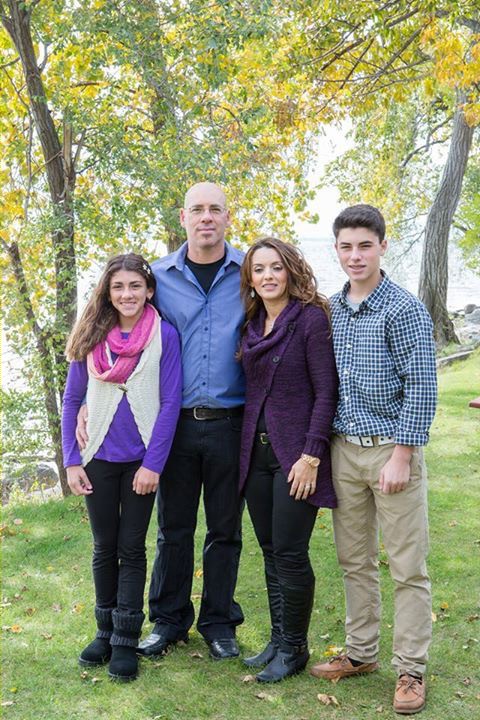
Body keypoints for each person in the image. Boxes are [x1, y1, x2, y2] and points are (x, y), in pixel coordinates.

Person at [75, 183, 246, 659]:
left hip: (232, 418)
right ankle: (168, 621)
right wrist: (94, 395)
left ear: (227, 217)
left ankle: (218, 622)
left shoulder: (249, 270)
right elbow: (121, 333)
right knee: (174, 526)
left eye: (215, 209)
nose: (206, 217)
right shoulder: (161, 277)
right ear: (183, 217)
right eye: (197, 210)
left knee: (225, 528)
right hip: (173, 425)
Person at [309, 205, 437, 715]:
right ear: (336, 250)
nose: (355, 255)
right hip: (344, 450)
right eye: (346, 246)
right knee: (354, 561)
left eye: (365, 245)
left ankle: (411, 669)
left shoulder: (403, 309)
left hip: (391, 449)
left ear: (383, 245)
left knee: (407, 566)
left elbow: (423, 387)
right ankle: (361, 653)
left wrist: (403, 453)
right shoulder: (332, 309)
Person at [62, 253, 182, 681]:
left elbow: (170, 403)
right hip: (97, 458)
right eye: (118, 287)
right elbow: (73, 399)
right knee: (103, 547)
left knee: (132, 548)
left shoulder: (164, 336)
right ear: (107, 292)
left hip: (140, 460)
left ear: (149, 290)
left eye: (135, 286)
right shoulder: (92, 335)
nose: (127, 294)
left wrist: (154, 464)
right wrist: (72, 461)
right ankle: (104, 630)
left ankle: (126, 639)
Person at [238, 237, 338, 682]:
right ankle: (279, 639)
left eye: (276, 267)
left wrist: (312, 455)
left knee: (291, 553)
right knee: (269, 550)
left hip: (296, 455)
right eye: (259, 269)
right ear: (250, 279)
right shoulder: (252, 324)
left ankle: (296, 648)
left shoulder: (310, 319)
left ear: (291, 270)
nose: (268, 276)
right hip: (255, 453)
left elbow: (326, 391)